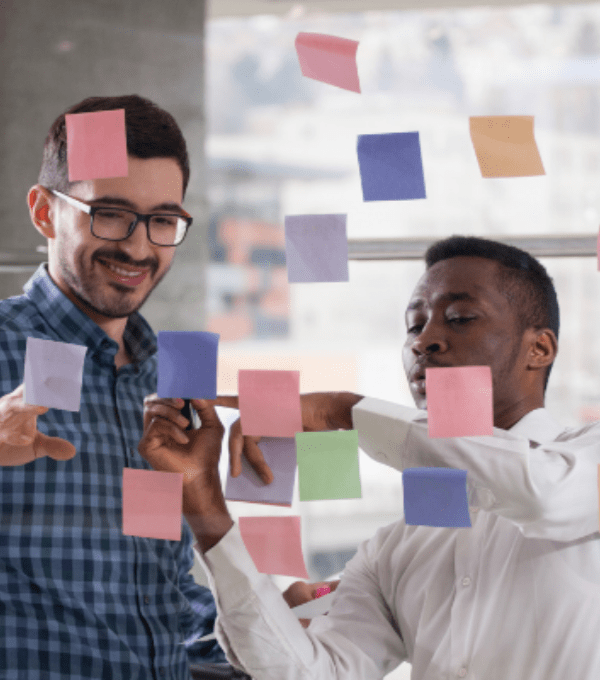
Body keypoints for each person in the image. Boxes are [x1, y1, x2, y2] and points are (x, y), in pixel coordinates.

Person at [140, 236, 600, 680]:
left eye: (460, 318)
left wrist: (341, 409)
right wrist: (205, 505)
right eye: (414, 326)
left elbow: (542, 495)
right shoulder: (395, 549)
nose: (425, 341)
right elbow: (307, 674)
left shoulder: (585, 458)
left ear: (539, 348)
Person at [0, 94, 290, 679]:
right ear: (43, 212)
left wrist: (270, 626)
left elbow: (158, 591)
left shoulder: (169, 382)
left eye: (162, 220)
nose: (137, 247)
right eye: (109, 213)